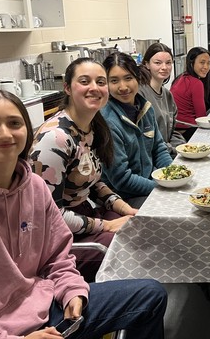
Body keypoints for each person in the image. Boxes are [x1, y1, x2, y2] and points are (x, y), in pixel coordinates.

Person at [0, 90, 167, 339]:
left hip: (44, 306)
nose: (5, 133)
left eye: (14, 123)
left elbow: (57, 256)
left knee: (150, 296)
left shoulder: (34, 186)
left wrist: (71, 290)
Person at [30, 58, 136, 282]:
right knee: (125, 244)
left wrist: (125, 209)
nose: (94, 88)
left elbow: (93, 182)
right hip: (57, 240)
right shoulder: (55, 139)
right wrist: (106, 225)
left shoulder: (92, 127)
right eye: (85, 81)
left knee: (136, 225)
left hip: (83, 216)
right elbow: (51, 216)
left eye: (101, 82)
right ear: (67, 88)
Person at [101, 52, 173, 208]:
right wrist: (162, 188)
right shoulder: (107, 122)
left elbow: (158, 149)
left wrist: (173, 174)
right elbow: (122, 179)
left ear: (137, 78)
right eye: (114, 81)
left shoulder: (146, 108)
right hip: (122, 197)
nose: (123, 87)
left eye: (128, 78)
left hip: (149, 185)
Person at [139, 42, 186, 157]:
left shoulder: (167, 95)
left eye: (168, 63)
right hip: (151, 157)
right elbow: (144, 138)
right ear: (147, 64)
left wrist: (181, 146)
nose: (164, 67)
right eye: (158, 63)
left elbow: (172, 131)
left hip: (167, 153)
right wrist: (172, 149)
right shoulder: (140, 93)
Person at [170, 46, 210, 140]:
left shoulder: (180, 77)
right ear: (191, 63)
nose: (206, 67)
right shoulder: (196, 83)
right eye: (202, 62)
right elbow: (201, 117)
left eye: (208, 63)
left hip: (174, 129)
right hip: (187, 130)